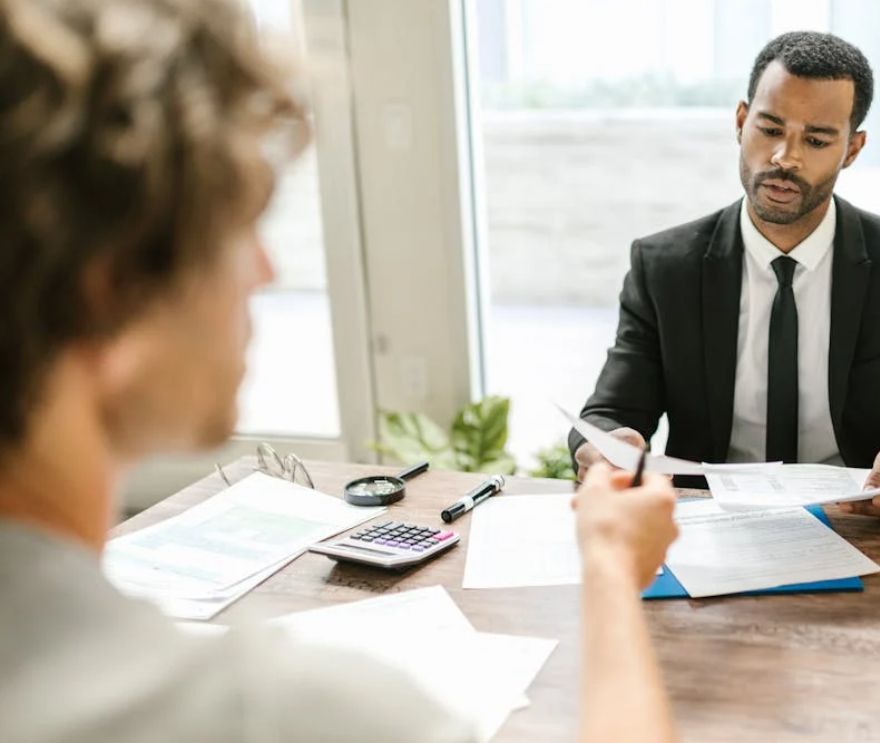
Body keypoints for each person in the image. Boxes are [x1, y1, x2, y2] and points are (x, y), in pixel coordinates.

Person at [0, 1, 678, 741]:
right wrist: (610, 569)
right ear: (113, 290)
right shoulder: (277, 716)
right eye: (239, 225)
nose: (265, 269)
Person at [570, 31, 880, 517]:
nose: (785, 158)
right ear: (741, 122)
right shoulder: (664, 267)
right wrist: (607, 446)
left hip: (863, 529)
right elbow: (609, 414)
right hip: (707, 530)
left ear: (853, 149)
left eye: (816, 140)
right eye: (770, 129)